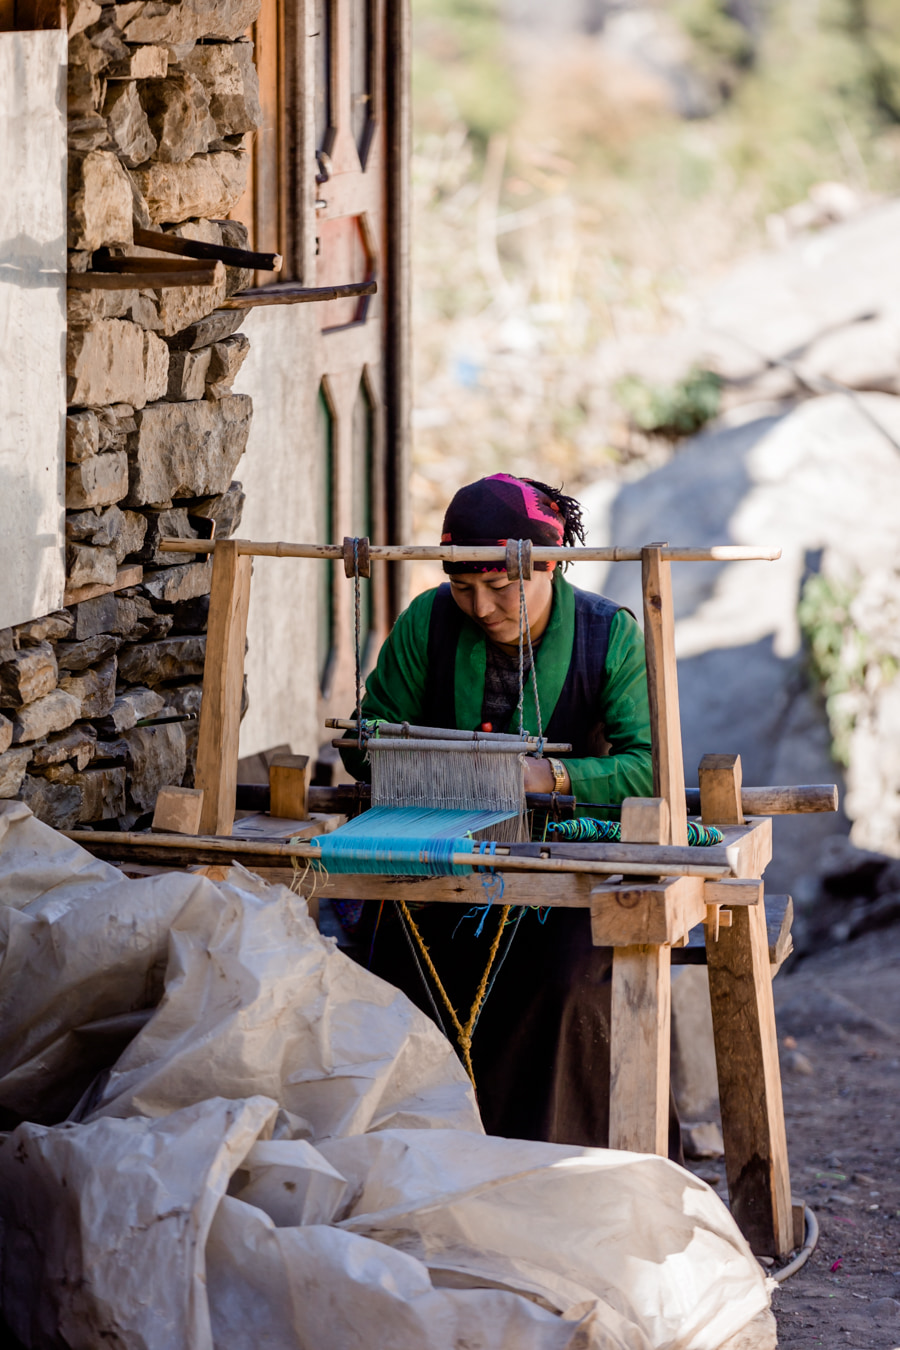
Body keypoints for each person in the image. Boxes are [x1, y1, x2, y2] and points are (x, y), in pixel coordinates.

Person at [340, 473, 673, 1154]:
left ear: (548, 566)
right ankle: (421, 1165)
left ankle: (550, 1171)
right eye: (465, 588)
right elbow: (364, 742)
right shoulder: (426, 626)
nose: (482, 607)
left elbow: (649, 768)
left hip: (570, 870)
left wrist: (544, 775)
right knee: (396, 980)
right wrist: (417, 763)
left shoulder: (608, 638)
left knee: (561, 986)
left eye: (500, 587)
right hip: (445, 864)